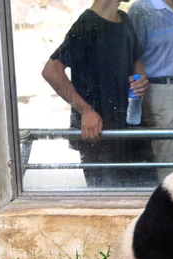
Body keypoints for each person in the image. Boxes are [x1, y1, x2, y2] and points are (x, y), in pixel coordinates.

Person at [42, 0, 152, 188]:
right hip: (99, 133)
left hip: (131, 129)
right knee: (109, 201)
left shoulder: (124, 19)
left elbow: (136, 60)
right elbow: (51, 71)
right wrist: (85, 111)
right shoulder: (87, 24)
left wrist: (140, 78)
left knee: (146, 192)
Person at [128, 0, 173, 175]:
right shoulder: (141, 9)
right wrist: (143, 103)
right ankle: (169, 201)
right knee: (169, 153)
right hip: (159, 90)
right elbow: (132, 57)